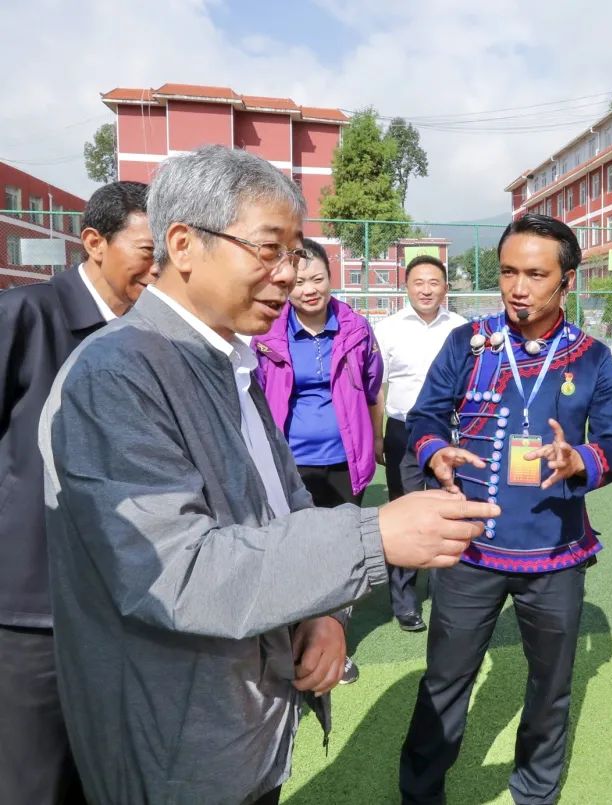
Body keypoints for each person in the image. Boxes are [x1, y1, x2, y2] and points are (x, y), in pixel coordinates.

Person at [37, 145, 499, 805]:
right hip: (178, 754)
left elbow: (287, 509)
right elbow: (177, 572)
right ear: (184, 244)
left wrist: (328, 615)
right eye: (267, 249)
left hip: (247, 731)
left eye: (294, 251)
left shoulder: (234, 362)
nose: (287, 274)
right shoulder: (115, 374)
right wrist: (374, 537)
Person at [399, 214, 612, 805]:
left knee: (550, 687)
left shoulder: (591, 357)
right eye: (508, 271)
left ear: (567, 280)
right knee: (445, 683)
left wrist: (580, 459)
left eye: (535, 273)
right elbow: (425, 416)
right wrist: (435, 451)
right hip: (468, 547)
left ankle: (535, 792)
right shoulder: (467, 343)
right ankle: (422, 794)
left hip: (555, 553)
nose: (518, 287)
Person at [0, 180, 154, 805]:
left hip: (123, 610)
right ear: (94, 242)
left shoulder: (151, 339)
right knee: (31, 784)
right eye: (148, 250)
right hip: (32, 618)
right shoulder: (24, 318)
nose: (162, 268)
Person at [253, 238, 384, 684]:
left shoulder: (357, 329)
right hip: (287, 465)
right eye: (300, 280)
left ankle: (334, 645)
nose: (309, 289)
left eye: (318, 279)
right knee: (292, 553)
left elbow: (371, 390)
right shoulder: (266, 330)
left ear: (332, 278)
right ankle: (290, 642)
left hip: (345, 463)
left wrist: (376, 444)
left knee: (340, 554)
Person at [373, 254, 467, 631]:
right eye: (418, 282)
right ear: (406, 287)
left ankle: (448, 597)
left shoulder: (462, 329)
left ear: (445, 287)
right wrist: (378, 436)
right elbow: (377, 387)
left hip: (450, 433)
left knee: (451, 510)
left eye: (434, 282)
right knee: (406, 514)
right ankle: (405, 602)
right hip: (403, 433)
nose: (426, 289)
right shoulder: (387, 329)